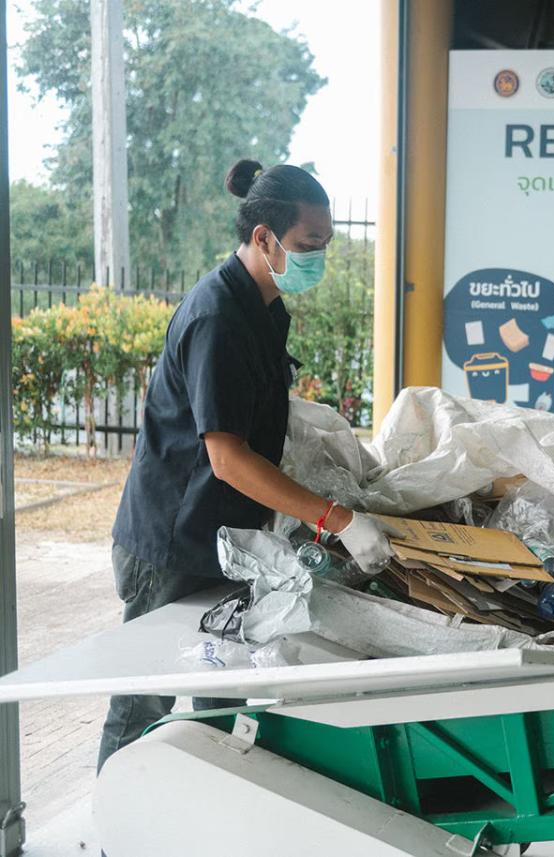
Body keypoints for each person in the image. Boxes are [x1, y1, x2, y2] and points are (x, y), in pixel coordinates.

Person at [97, 160, 393, 772]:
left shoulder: (264, 307)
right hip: (174, 542)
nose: (319, 257)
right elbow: (227, 458)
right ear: (264, 238)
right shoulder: (217, 318)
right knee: (143, 702)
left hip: (230, 541)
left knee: (220, 690)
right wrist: (337, 519)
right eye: (310, 245)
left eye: (325, 245)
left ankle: (196, 820)